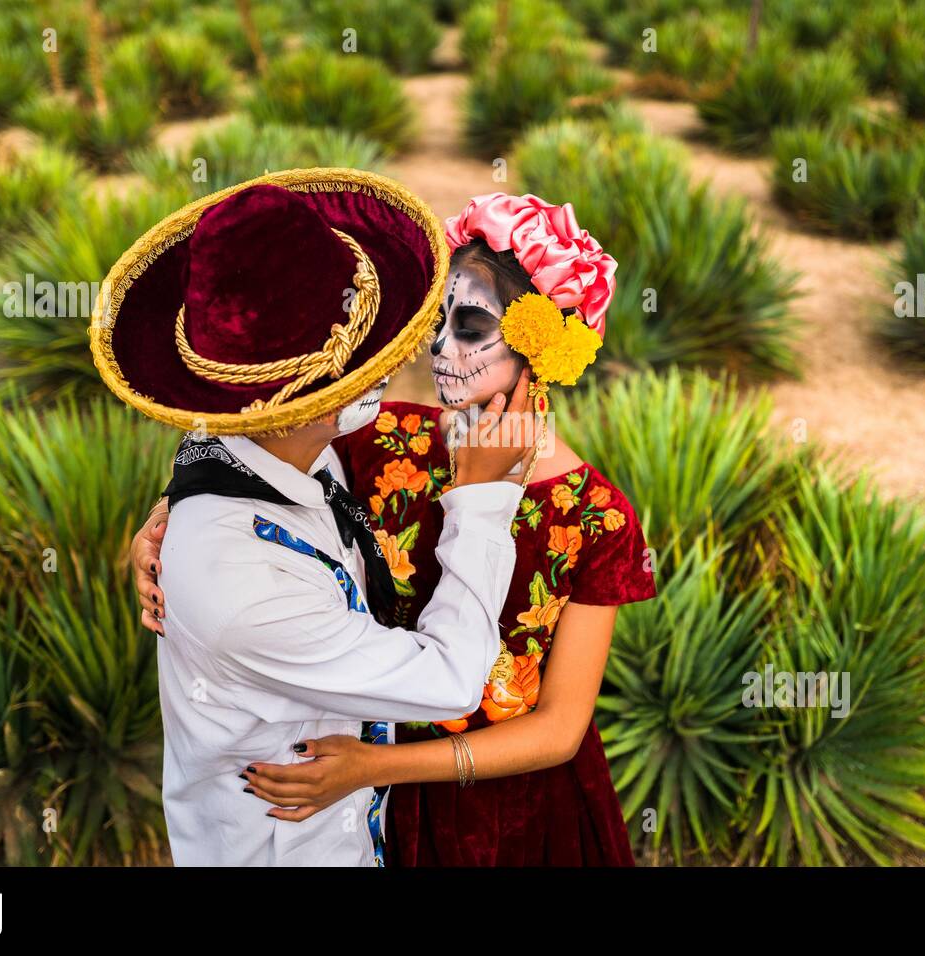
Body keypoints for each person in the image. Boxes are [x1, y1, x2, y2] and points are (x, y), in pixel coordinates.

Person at [133, 192, 657, 866]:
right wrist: (169, 517)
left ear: (544, 349)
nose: (438, 346)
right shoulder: (386, 439)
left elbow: (559, 729)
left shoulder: (596, 515)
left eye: (470, 326)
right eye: (438, 321)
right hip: (366, 805)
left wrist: (378, 768)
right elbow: (255, 456)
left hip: (503, 811)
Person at [93, 170, 535, 866]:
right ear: (299, 406)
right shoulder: (245, 588)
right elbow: (451, 681)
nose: (409, 355)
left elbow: (216, 470)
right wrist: (482, 501)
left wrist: (171, 505)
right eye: (369, 350)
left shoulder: (260, 447)